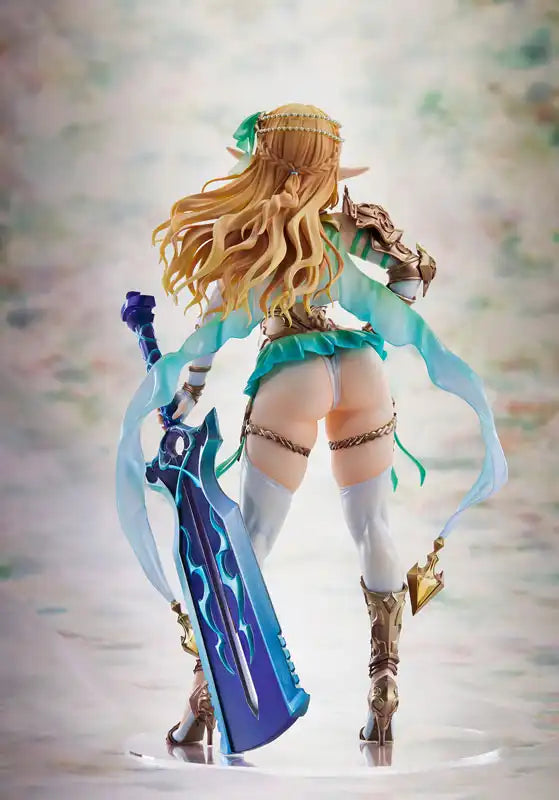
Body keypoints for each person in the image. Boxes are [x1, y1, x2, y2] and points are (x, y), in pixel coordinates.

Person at [116, 103, 507, 750]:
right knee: (374, 527)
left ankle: (204, 703)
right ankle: (383, 688)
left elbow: (210, 333)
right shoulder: (340, 232)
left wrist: (184, 396)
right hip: (360, 369)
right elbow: (411, 278)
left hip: (289, 376)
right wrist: (379, 314)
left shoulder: (247, 238)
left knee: (251, 541)